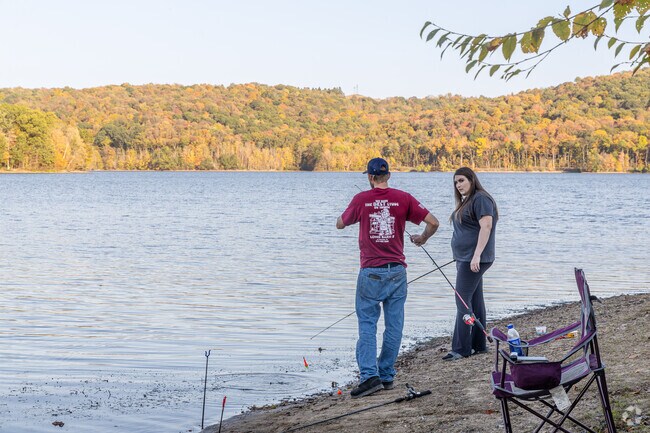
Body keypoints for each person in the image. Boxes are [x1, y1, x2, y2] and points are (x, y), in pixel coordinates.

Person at [336, 157, 439, 398]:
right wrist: (422, 238)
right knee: (394, 325)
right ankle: (386, 375)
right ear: (388, 176)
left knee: (367, 323)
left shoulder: (361, 199)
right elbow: (433, 223)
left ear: (370, 177)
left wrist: (358, 211)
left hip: (371, 271)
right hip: (397, 271)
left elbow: (340, 224)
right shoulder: (404, 198)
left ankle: (370, 376)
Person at [443, 167, 498, 361]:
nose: (458, 185)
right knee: (474, 299)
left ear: (472, 180)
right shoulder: (467, 201)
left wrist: (476, 255)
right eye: (456, 182)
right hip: (465, 258)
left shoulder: (481, 198)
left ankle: (461, 348)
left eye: (461, 181)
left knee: (462, 300)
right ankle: (478, 345)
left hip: (474, 259)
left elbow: (487, 226)